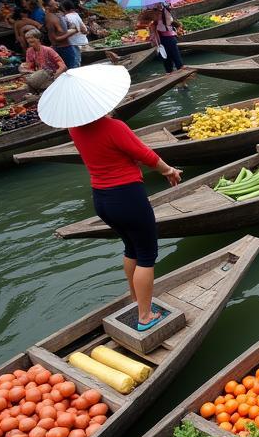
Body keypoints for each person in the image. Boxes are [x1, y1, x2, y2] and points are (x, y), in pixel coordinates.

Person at [67, 109, 183, 331]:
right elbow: (146, 155)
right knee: (147, 255)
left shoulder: (74, 129)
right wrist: (169, 171)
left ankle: (136, 300)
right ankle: (145, 316)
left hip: (102, 200)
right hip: (127, 197)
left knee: (131, 248)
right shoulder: (114, 127)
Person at [146, 4, 184, 76]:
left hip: (167, 38)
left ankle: (181, 81)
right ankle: (175, 79)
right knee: (169, 60)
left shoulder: (162, 11)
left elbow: (169, 22)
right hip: (163, 39)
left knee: (173, 60)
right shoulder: (158, 11)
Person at [45, 0, 80, 69]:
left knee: (72, 68)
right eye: (53, 4)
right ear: (48, 8)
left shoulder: (58, 14)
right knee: (72, 69)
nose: (56, 4)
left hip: (66, 46)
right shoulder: (50, 19)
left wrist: (71, 26)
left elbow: (66, 27)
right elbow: (55, 38)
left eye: (55, 2)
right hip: (63, 48)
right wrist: (73, 31)